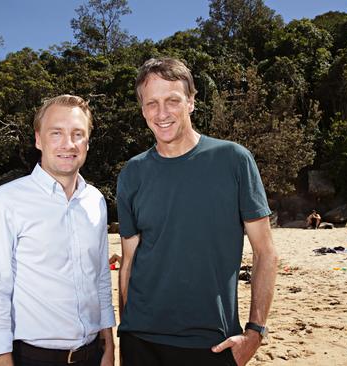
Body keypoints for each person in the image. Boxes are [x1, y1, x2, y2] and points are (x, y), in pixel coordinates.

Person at [117, 57, 279, 366]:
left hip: (212, 343)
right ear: (142, 110)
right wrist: (125, 333)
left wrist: (255, 332)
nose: (161, 113)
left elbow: (266, 253)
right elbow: (128, 263)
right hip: (141, 341)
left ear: (191, 102)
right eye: (152, 103)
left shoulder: (233, 160)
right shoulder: (132, 173)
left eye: (172, 101)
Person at [0, 95, 115, 366]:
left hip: (92, 355)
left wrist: (108, 345)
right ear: (39, 139)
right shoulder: (4, 202)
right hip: (33, 357)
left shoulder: (95, 200)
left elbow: (100, 278)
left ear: (87, 141)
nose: (68, 144)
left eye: (78, 134)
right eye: (56, 133)